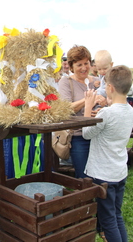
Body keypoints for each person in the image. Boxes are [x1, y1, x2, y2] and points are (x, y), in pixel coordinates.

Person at [82, 65, 133, 242]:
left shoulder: (107, 113)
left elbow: (86, 133)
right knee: (117, 216)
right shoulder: (129, 110)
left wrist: (88, 109)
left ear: (110, 88)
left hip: (103, 174)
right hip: (119, 172)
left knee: (108, 221)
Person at [58, 45, 100, 178]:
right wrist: (88, 100)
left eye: (86, 63)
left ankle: (98, 198)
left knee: (99, 175)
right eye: (79, 65)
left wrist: (101, 108)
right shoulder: (66, 82)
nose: (84, 68)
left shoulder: (98, 82)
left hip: (98, 135)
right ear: (71, 67)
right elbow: (66, 109)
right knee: (84, 176)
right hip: (79, 137)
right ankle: (85, 197)